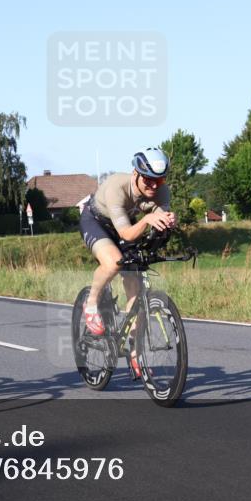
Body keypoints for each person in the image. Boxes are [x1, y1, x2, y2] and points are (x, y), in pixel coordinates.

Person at [78, 148, 177, 373]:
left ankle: (135, 351)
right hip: (97, 222)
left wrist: (170, 220)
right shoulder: (117, 187)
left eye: (159, 180)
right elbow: (126, 234)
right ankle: (91, 303)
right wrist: (149, 219)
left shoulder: (162, 192)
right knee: (113, 262)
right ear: (136, 174)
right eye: (149, 180)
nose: (154, 186)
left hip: (127, 222)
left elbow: (159, 225)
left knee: (135, 280)